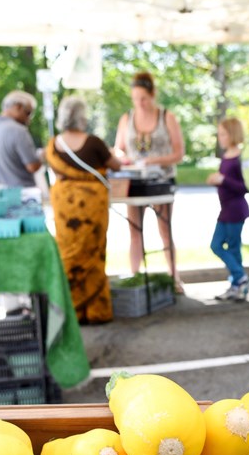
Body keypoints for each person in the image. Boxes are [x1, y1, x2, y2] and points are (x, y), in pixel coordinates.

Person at [44, 96, 122, 325]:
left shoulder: (54, 144)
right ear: (82, 116)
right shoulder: (94, 142)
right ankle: (96, 311)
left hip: (64, 206)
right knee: (93, 253)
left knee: (67, 252)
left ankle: (70, 310)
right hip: (91, 206)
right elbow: (115, 165)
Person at [113, 71, 186, 294]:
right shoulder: (127, 118)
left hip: (161, 180)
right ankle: (135, 279)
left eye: (143, 98)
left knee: (165, 229)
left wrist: (154, 160)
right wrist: (122, 158)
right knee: (134, 231)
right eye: (135, 99)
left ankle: (174, 277)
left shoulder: (167, 117)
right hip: (134, 182)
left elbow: (179, 152)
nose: (140, 103)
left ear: (152, 95)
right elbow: (118, 148)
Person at [206, 117, 249, 301]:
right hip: (225, 209)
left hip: (236, 209)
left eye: (223, 134)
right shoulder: (225, 156)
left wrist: (223, 180)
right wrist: (215, 181)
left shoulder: (241, 157)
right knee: (221, 245)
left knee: (226, 246)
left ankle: (240, 278)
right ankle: (238, 283)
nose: (220, 137)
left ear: (232, 134)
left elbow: (245, 186)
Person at [0, 90, 43, 188]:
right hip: (22, 195)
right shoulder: (19, 130)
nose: (29, 119)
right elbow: (32, 166)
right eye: (28, 113)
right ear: (18, 107)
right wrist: (42, 156)